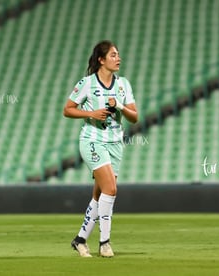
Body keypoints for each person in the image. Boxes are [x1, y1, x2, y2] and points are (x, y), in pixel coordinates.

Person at [63, 40, 138, 257]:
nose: (118, 58)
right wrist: (91, 114)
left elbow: (134, 117)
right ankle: (104, 243)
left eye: (118, 55)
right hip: (92, 140)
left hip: (115, 144)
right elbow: (68, 109)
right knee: (111, 189)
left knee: (99, 195)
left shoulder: (123, 84)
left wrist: (120, 106)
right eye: (113, 55)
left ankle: (79, 240)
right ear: (101, 60)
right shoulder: (87, 83)